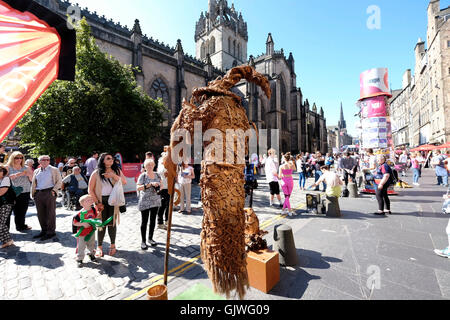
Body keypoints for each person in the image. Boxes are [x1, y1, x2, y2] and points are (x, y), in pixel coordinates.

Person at [88, 153, 127, 257]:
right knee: (101, 225)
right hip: (101, 201)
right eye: (108, 159)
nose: (111, 160)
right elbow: (90, 189)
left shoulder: (117, 171)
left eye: (112, 159)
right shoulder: (96, 173)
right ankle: (99, 247)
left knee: (112, 224)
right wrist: (97, 203)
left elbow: (124, 181)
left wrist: (113, 176)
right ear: (103, 161)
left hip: (113, 201)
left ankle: (113, 245)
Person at [31, 155, 62, 241]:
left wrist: (54, 190)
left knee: (50, 213)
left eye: (47, 160)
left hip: (49, 192)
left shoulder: (54, 169)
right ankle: (44, 230)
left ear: (49, 161)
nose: (45, 161)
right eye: (43, 160)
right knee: (40, 213)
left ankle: (51, 232)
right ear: (39, 161)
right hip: (39, 193)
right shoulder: (36, 171)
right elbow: (34, 183)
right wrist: (34, 194)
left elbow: (59, 181)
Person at [137, 159, 162, 249]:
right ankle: (143, 241)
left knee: (152, 221)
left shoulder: (158, 175)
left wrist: (158, 186)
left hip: (155, 201)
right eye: (148, 165)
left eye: (151, 165)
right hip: (145, 201)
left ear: (154, 165)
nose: (150, 166)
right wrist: (149, 184)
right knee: (144, 221)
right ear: (145, 166)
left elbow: (162, 186)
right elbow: (138, 188)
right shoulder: (143, 176)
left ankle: (150, 238)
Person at [6, 151, 32, 232]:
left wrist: (28, 175)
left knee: (22, 211)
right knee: (8, 212)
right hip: (10, 193)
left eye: (21, 158)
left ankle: (21, 226)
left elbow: (32, 179)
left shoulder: (26, 167)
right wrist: (18, 175)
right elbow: (3, 179)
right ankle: (5, 230)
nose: (19, 159)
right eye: (17, 158)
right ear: (12, 158)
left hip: (25, 192)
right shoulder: (7, 167)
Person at [73, 195, 99, 267]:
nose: (90, 200)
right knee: (81, 246)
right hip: (82, 233)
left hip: (91, 231)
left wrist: (98, 222)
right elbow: (74, 223)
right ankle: (79, 259)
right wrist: (83, 224)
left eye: (91, 199)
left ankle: (91, 254)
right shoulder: (79, 213)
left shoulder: (93, 210)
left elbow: (95, 217)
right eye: (87, 200)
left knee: (92, 244)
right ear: (82, 204)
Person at [0, 165, 14, 248]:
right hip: (1, 203)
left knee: (1, 223)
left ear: (3, 171)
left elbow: (1, 192)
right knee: (2, 224)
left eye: (0, 170)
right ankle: (8, 240)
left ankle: (7, 240)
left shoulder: (6, 179)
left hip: (5, 203)